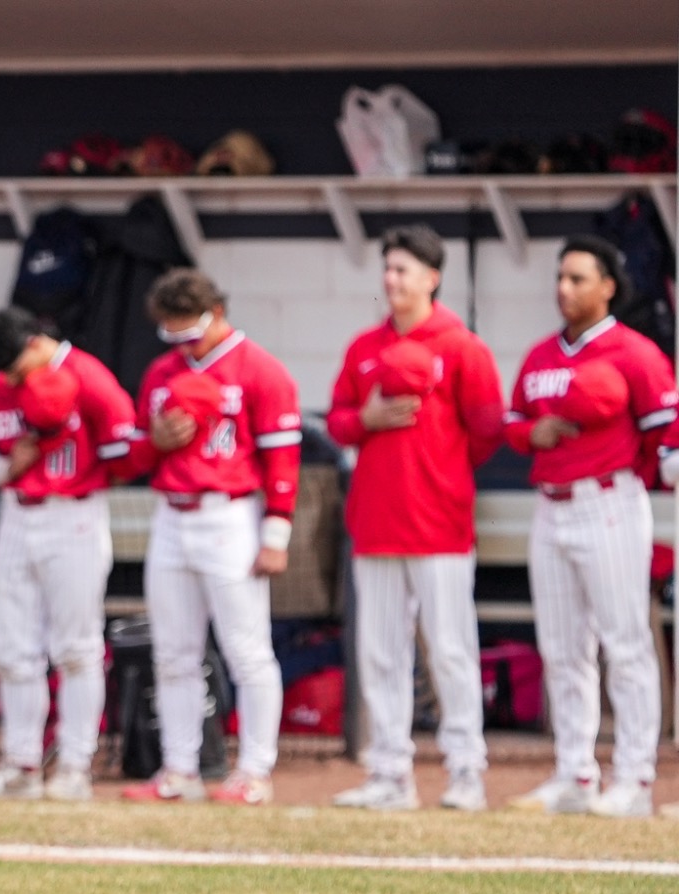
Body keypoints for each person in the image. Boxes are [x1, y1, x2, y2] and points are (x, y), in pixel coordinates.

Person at [325, 226, 504, 813]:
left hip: (439, 523)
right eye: (387, 269)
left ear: (432, 278)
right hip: (376, 521)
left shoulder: (461, 346)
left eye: (402, 270)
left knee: (450, 649)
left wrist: (442, 471)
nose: (391, 280)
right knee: (380, 651)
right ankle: (389, 773)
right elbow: (339, 422)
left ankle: (465, 770)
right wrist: (368, 418)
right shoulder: (362, 347)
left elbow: (486, 431)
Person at [509, 236, 676, 818]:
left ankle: (633, 778)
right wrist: (534, 434)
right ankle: (575, 774)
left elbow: (667, 428)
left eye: (578, 278)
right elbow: (513, 422)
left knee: (624, 643)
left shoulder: (634, 352)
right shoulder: (539, 356)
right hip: (550, 504)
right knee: (561, 648)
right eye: (560, 277)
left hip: (609, 501)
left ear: (608, 286)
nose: (564, 288)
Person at [121, 268, 299, 806]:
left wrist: (277, 534)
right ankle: (180, 770)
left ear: (217, 314)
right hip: (172, 515)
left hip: (230, 514)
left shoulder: (260, 369)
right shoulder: (160, 372)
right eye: (171, 332)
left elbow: (283, 456)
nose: (182, 343)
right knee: (174, 652)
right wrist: (154, 440)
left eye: (189, 330)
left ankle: (255, 772)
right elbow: (135, 454)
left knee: (247, 650)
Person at [0, 306, 137, 801]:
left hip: (74, 515)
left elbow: (125, 452)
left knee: (76, 647)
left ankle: (75, 765)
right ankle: (21, 763)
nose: (10, 379)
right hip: (18, 513)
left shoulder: (87, 376)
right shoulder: (0, 390)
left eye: (15, 367)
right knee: (13, 648)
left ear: (36, 343)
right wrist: (9, 465)